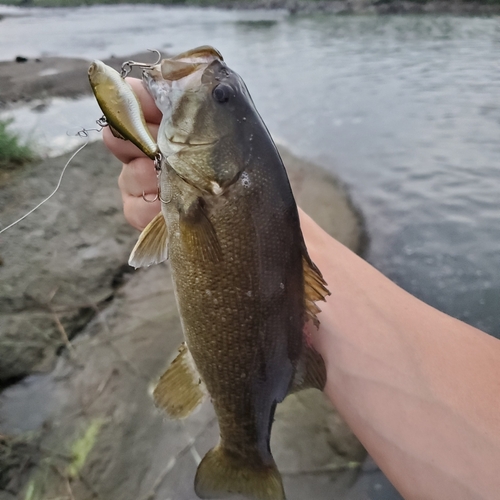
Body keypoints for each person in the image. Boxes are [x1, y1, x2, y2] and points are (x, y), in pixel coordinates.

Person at [104, 78, 500, 500]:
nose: (213, 86)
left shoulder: (205, 192)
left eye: (221, 96)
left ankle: (243, 455)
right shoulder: (207, 187)